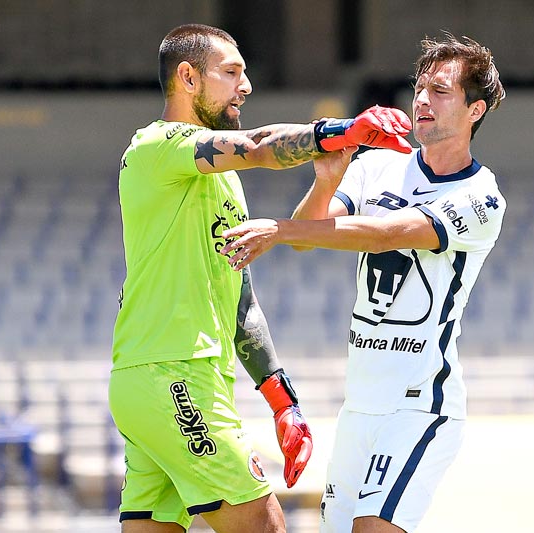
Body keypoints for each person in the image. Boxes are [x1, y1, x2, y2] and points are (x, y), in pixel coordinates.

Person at [108, 23, 412, 533]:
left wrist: (282, 402)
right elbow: (258, 145)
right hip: (177, 373)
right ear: (187, 76)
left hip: (160, 378)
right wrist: (342, 131)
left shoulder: (217, 177)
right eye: (231, 73)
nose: (245, 86)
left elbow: (240, 299)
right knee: (265, 527)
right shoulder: (158, 147)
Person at [220, 32, 506, 533]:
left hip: (420, 405)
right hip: (360, 407)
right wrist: (327, 178)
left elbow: (386, 234)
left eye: (440, 91)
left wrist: (278, 230)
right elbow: (314, 233)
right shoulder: (376, 166)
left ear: (475, 109)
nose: (421, 99)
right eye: (419, 87)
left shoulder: (482, 198)